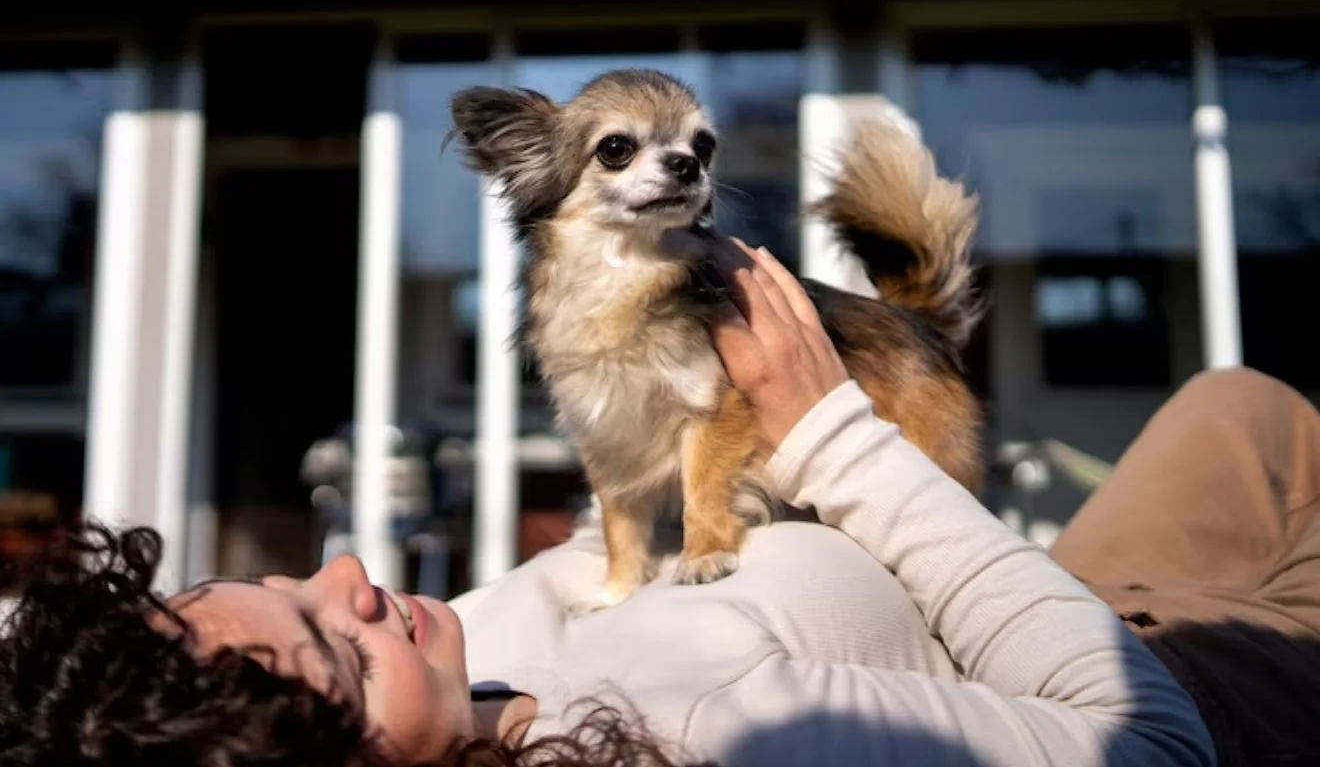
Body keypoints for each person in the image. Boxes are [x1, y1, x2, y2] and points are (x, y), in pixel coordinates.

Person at [3, 238, 1299, 767]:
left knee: (1242, 405)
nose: (348, 585)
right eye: (333, 652)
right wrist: (830, 437)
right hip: (1189, 669)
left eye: (294, 585)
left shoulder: (458, 679)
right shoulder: (721, 731)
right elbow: (1145, 750)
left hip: (1076, 582)